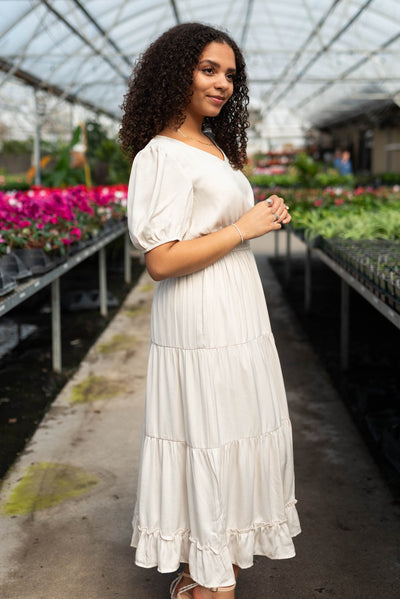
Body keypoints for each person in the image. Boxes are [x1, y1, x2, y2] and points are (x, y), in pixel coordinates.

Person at [120, 23, 301, 599]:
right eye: (208, 70)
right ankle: (208, 581)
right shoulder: (160, 154)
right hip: (200, 315)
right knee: (210, 433)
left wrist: (260, 217)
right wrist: (244, 227)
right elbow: (162, 260)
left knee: (238, 428)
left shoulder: (215, 147)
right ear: (176, 73)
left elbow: (218, 226)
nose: (222, 83)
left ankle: (211, 567)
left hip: (237, 310)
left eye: (229, 74)